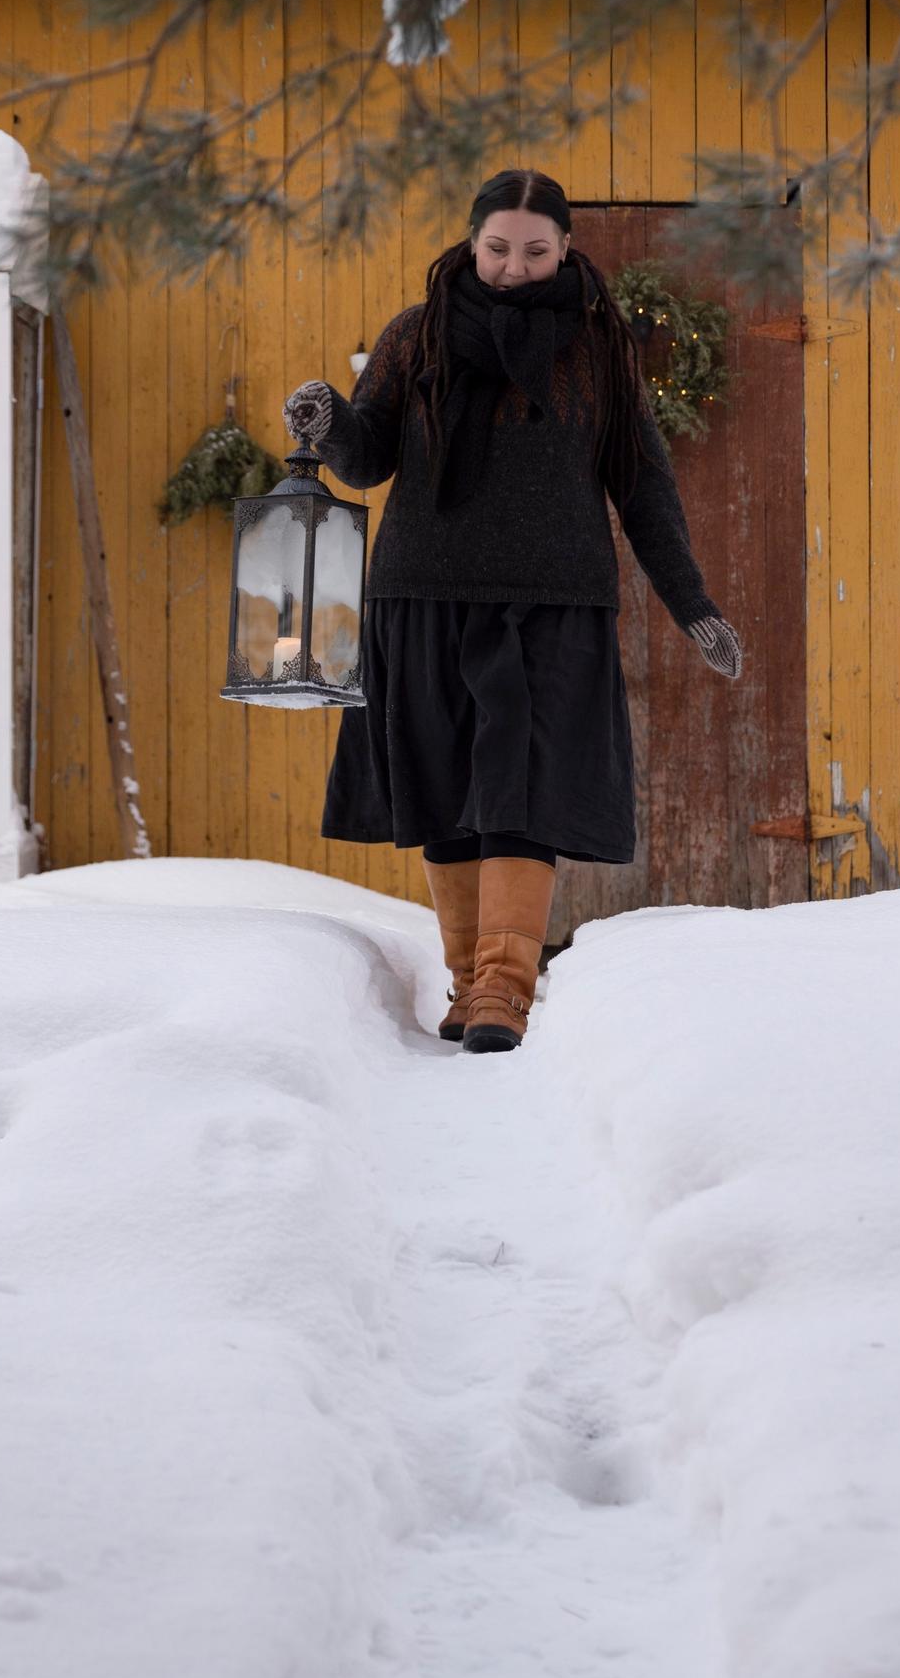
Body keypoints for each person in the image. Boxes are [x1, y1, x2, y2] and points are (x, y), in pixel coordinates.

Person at [282, 167, 742, 1056]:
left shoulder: (598, 352)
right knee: (448, 793)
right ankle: (465, 982)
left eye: (535, 251)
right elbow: (369, 456)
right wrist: (329, 421)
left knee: (521, 794)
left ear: (566, 249)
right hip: (420, 595)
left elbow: (643, 489)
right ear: (471, 240)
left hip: (552, 605)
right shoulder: (415, 338)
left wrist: (693, 606)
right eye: (498, 247)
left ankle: (503, 989)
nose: (512, 267)